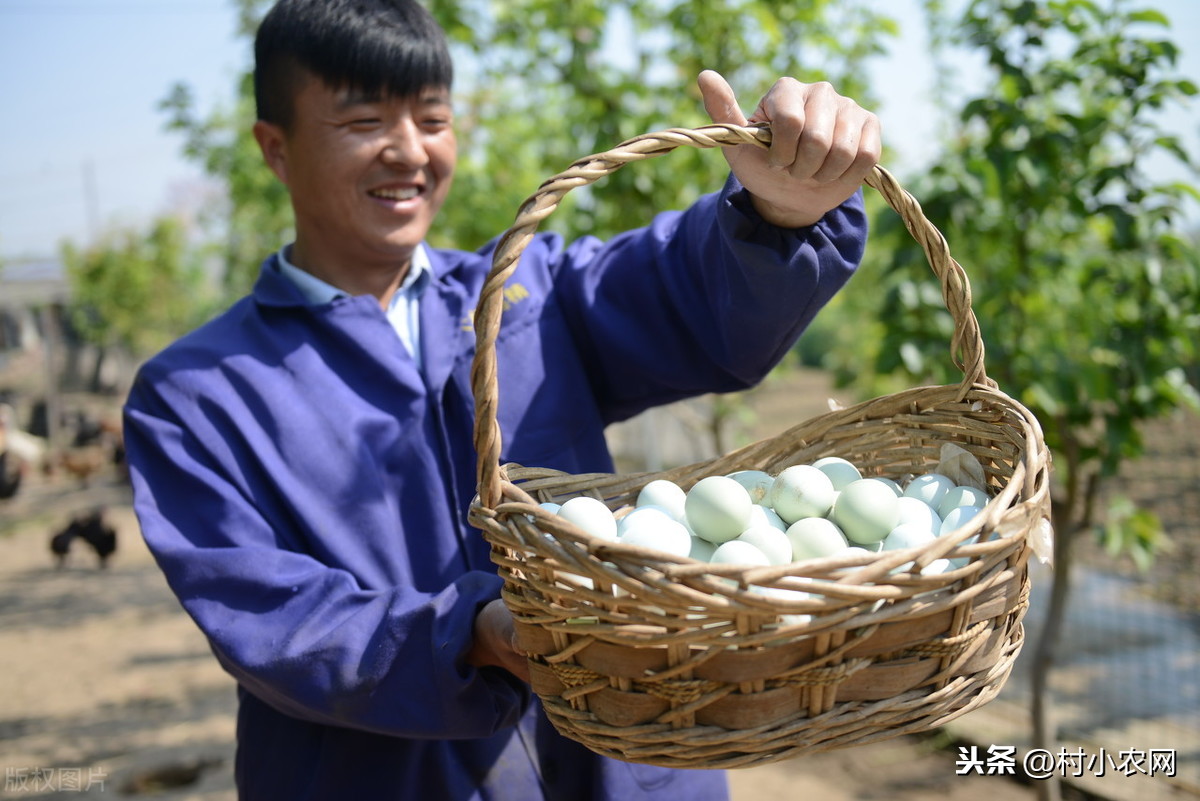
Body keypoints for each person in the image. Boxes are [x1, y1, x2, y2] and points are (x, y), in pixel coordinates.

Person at [122, 0, 881, 799]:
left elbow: (687, 293)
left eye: (433, 117)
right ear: (275, 148)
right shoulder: (198, 393)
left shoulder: (525, 294)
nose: (409, 150)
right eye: (363, 120)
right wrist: (469, 635)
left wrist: (779, 212)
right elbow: (273, 618)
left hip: (626, 764)